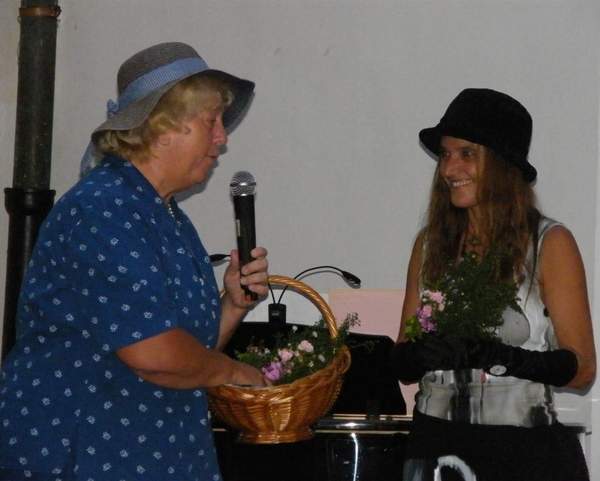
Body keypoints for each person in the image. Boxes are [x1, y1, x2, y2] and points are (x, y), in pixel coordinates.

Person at [0, 42, 269, 481]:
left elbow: (187, 353)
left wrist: (233, 304)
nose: (222, 139)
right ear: (162, 128)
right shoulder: (103, 209)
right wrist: (235, 373)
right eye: (212, 121)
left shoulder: (165, 215)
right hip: (84, 455)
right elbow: (154, 353)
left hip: (150, 456)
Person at [391, 88, 596, 481]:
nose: (449, 169)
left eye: (466, 153)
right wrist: (424, 353)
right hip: (437, 448)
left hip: (523, 453)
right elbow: (402, 363)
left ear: (503, 164)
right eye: (446, 155)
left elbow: (583, 369)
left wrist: (498, 356)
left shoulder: (548, 244)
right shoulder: (430, 245)